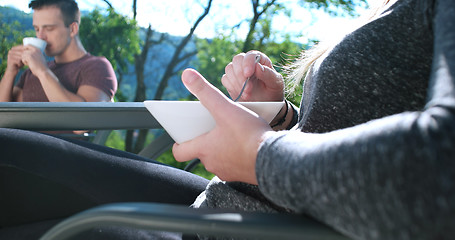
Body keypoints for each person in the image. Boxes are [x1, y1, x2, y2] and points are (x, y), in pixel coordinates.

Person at [0, 0, 454, 239]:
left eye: (49, 27)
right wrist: (279, 117)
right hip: (246, 201)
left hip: (260, 223)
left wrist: (259, 154)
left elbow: (440, 169)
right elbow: (351, 126)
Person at [0, 0, 117, 102]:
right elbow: (4, 115)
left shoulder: (97, 67)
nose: (40, 36)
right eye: (37, 29)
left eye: (49, 29)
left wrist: (42, 71)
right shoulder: (31, 72)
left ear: (72, 29)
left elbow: (82, 123)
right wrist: (11, 71)